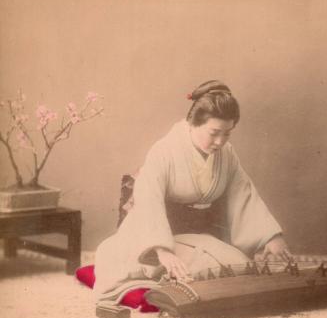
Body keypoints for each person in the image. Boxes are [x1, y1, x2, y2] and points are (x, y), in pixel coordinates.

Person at [93, 80, 292, 300]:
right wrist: (163, 250)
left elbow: (243, 194)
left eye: (227, 134)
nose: (220, 141)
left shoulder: (227, 153)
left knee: (236, 267)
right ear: (193, 123)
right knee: (126, 264)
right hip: (157, 233)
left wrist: (269, 237)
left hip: (199, 235)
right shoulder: (165, 151)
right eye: (214, 132)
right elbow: (149, 201)